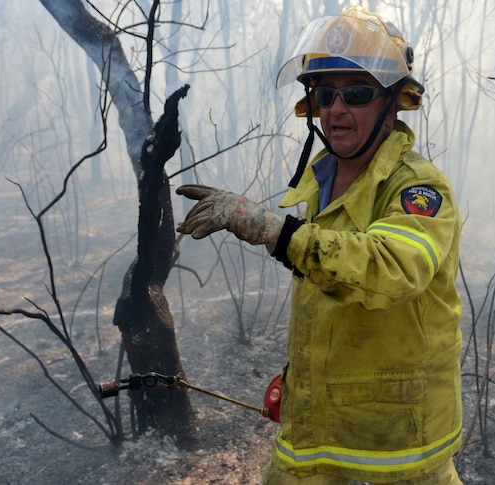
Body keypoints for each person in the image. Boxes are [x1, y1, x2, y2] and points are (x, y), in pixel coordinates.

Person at [176, 6, 463, 484]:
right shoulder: (320, 184)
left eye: (356, 93)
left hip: (400, 449)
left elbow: (389, 271)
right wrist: (301, 385)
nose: (336, 108)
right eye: (326, 94)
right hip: (318, 431)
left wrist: (274, 231)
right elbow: (330, 305)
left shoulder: (418, 190)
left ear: (392, 106)